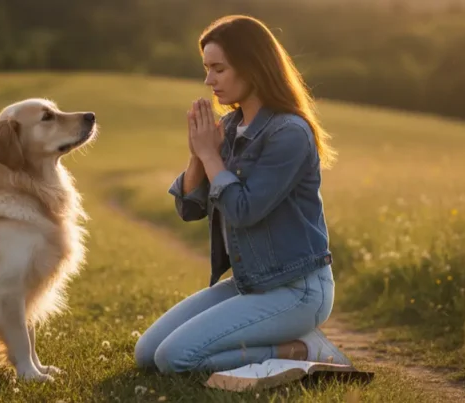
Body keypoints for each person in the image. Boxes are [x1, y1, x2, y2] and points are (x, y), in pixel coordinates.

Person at [134, 15, 351, 374]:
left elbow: (244, 210)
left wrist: (209, 155)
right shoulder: (231, 127)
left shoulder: (289, 133)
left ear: (252, 67)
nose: (209, 80)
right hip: (251, 283)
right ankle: (286, 344)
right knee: (147, 353)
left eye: (218, 69)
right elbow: (189, 209)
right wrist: (197, 154)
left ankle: (303, 348)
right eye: (206, 69)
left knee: (173, 359)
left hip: (297, 291)